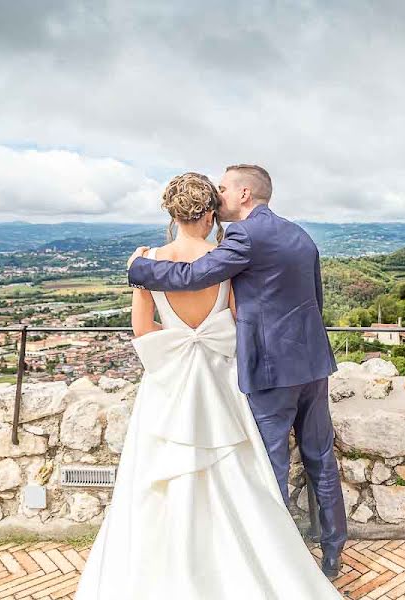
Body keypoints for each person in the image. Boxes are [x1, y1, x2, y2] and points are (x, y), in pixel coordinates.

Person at [75, 172, 341, 599]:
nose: (221, 198)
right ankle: (327, 553)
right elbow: (256, 313)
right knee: (315, 461)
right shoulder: (300, 236)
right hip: (305, 362)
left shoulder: (225, 245)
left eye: (225, 188)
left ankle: (265, 551)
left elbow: (169, 303)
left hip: (213, 377)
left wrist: (139, 269)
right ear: (207, 211)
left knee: (263, 468)